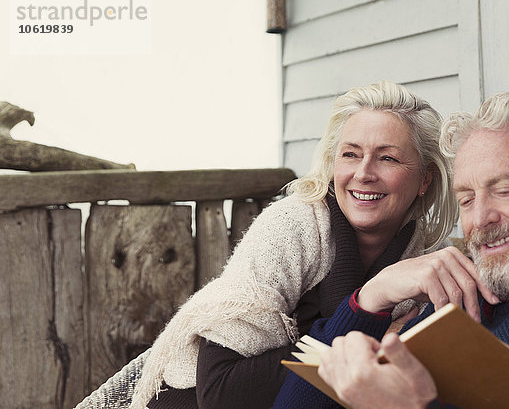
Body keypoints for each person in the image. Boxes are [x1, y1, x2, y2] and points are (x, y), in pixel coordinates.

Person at [128, 80, 462, 408]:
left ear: (425, 179)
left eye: (387, 158)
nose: (363, 173)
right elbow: (222, 392)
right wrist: (374, 326)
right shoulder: (290, 228)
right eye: (350, 154)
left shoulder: (428, 258)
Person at [275, 91, 509, 408]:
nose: (481, 218)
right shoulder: (454, 301)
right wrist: (372, 299)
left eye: (504, 190)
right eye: (467, 199)